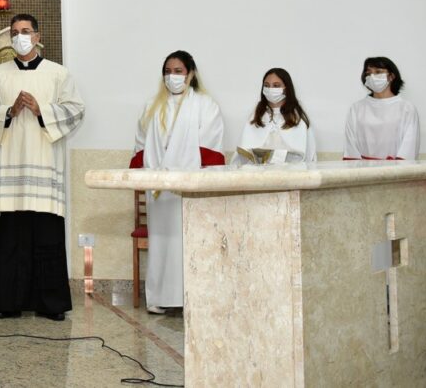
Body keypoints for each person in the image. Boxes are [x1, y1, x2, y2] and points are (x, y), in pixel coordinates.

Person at [0, 13, 85, 321]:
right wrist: (8, 111)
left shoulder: (58, 74)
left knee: (47, 237)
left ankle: (50, 304)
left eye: (25, 31)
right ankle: (8, 303)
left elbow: (76, 109)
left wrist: (42, 110)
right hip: (13, 165)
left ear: (38, 36)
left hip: (45, 164)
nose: (19, 36)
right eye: (14, 32)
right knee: (12, 237)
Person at [133, 50, 223, 314]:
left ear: (191, 73)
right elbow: (141, 143)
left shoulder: (206, 106)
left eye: (178, 71)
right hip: (160, 189)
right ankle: (160, 297)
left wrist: (187, 172)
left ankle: (190, 297)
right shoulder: (152, 105)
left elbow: (211, 148)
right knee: (162, 242)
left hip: (189, 189)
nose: (172, 77)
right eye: (168, 71)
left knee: (188, 243)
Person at [343, 56, 420, 160]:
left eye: (378, 72)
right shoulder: (357, 108)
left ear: (391, 76)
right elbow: (350, 146)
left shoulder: (406, 108)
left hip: (395, 171)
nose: (372, 76)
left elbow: (409, 146)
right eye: (368, 73)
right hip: (362, 171)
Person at [234, 67, 316, 164]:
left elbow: (308, 157)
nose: (270, 89)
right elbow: (242, 154)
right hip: (258, 175)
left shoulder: (298, 119)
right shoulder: (256, 116)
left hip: (290, 175)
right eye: (266, 85)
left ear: (286, 88)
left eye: (276, 86)